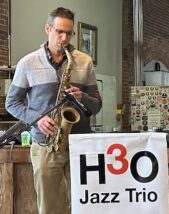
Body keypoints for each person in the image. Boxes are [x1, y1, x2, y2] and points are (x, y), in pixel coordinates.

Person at [5, 7, 102, 214]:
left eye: (69, 33)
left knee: (84, 206)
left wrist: (82, 97)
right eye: (60, 31)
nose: (64, 38)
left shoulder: (84, 62)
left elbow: (96, 105)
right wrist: (36, 119)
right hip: (46, 145)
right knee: (49, 208)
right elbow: (11, 102)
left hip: (79, 146)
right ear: (48, 29)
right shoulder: (28, 63)